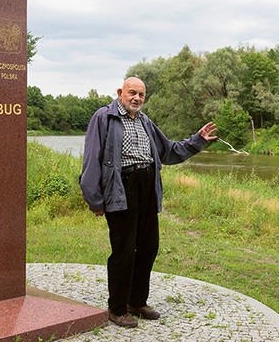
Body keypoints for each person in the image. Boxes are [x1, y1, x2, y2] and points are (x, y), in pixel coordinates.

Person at [80, 77, 217, 328]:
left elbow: (168, 151)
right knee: (124, 250)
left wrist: (197, 140)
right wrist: (95, 200)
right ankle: (117, 308)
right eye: (132, 93)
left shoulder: (145, 121)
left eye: (141, 95)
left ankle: (137, 301)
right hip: (122, 188)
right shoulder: (104, 118)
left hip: (147, 187)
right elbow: (91, 159)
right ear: (120, 92)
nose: (137, 99)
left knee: (148, 246)